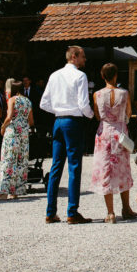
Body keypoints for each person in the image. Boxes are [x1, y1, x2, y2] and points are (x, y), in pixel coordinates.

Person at [40, 45, 94, 224]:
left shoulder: (54, 75)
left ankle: (50, 211)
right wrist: (92, 115)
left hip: (58, 120)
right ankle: (72, 211)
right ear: (74, 56)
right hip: (73, 121)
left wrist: (58, 109)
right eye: (83, 56)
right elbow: (83, 103)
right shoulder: (80, 76)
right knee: (74, 167)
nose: (84, 59)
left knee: (56, 166)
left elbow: (43, 103)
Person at [90, 64, 137, 222]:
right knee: (123, 169)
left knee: (106, 170)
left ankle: (110, 213)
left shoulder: (97, 94)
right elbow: (129, 113)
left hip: (104, 132)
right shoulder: (124, 93)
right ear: (116, 75)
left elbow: (97, 115)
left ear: (102, 76)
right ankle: (126, 208)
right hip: (120, 132)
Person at [0, 78, 34, 200]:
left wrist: (2, 127)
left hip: (12, 133)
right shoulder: (28, 101)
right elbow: (31, 121)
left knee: (8, 160)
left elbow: (9, 117)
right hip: (23, 133)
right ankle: (16, 191)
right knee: (20, 161)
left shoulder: (12, 99)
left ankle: (4, 192)